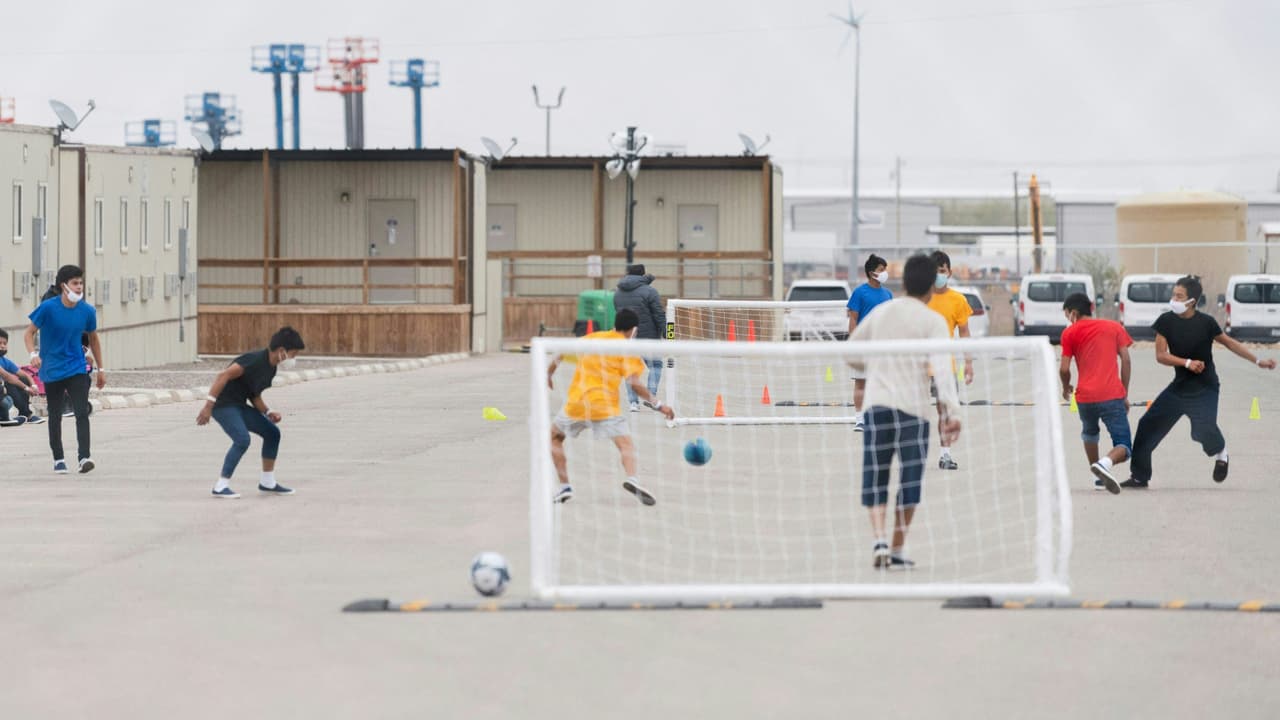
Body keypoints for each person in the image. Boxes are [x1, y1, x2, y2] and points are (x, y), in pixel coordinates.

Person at [849, 254, 962, 569]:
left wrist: (874, 366)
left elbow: (852, 353)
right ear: (931, 286)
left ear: (904, 282)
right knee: (910, 480)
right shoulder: (932, 321)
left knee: (876, 476)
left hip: (877, 406)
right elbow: (942, 371)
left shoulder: (883, 312)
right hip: (913, 409)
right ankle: (897, 547)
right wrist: (952, 412)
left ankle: (879, 541)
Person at [1122, 275, 1276, 489]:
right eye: (1173, 294)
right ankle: (1139, 476)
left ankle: (1221, 453)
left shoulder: (1206, 323)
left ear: (1191, 301)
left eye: (1179, 296)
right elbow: (1160, 355)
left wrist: (1258, 361)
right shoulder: (1165, 321)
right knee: (1147, 425)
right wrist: (1186, 363)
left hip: (1206, 388)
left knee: (1202, 431)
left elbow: (1230, 343)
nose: (1174, 299)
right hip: (1179, 388)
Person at [546, 308, 676, 506]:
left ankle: (564, 486)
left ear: (615, 324)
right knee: (625, 445)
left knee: (554, 438)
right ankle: (632, 478)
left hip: (577, 404)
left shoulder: (592, 338)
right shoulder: (627, 350)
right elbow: (634, 384)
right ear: (633, 330)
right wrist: (659, 405)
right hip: (605, 407)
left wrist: (549, 373)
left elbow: (561, 351)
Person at [196, 326, 306, 499]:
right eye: (294, 354)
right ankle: (221, 486)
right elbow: (223, 376)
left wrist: (268, 411)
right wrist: (208, 406)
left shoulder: (271, 368)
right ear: (281, 351)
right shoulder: (254, 360)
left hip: (239, 405)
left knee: (272, 433)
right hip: (223, 405)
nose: (294, 358)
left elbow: (254, 395)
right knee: (242, 440)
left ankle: (267, 482)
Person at [24, 265, 105, 474]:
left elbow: (94, 339)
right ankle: (58, 458)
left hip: (76, 367)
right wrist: (33, 355)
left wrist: (101, 368)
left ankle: (84, 457)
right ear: (64, 286)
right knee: (55, 415)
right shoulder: (48, 308)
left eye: (81, 283)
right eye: (75, 283)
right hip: (52, 369)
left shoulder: (87, 311)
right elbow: (29, 333)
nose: (79, 287)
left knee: (81, 412)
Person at [1058, 292, 1132, 494]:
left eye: (1067, 315)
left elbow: (1064, 369)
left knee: (1090, 432)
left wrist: (1066, 387)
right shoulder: (1114, 327)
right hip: (1112, 395)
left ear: (1073, 312)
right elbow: (1126, 360)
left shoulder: (1069, 333)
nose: (1068, 320)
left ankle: (1097, 477)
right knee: (1124, 446)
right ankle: (1104, 464)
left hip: (1084, 397)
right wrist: (1124, 393)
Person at [926, 251, 974, 470]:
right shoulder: (921, 298)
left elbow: (964, 332)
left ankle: (945, 455)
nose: (939, 275)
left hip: (945, 366)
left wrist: (968, 363)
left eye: (942, 271)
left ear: (949, 272)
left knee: (944, 411)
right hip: (919, 366)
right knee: (911, 412)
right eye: (935, 271)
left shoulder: (958, 300)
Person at [846, 254, 894, 432]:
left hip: (882, 346)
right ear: (872, 272)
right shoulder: (860, 292)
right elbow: (853, 319)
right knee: (861, 382)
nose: (885, 273)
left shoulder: (888, 294)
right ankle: (859, 419)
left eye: (885, 269)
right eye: (881, 270)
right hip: (863, 344)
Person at [613, 264, 666, 411]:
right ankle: (651, 398)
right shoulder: (650, 291)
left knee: (630, 370)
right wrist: (669, 333)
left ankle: (633, 403)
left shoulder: (618, 293)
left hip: (627, 336)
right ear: (643, 274)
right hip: (649, 336)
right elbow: (659, 314)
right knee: (655, 365)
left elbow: (619, 314)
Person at [0, 328, 45, 426]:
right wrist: (27, 388)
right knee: (9, 384)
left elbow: (25, 375)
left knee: (23, 379)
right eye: (0, 343)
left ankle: (24, 414)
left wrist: (33, 386)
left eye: (5, 343)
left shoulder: (4, 361)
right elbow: (7, 376)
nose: (2, 346)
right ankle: (8, 416)